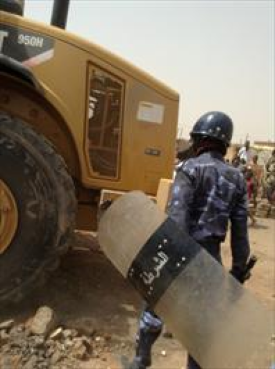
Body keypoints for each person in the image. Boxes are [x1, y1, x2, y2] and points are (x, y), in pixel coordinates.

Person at [130, 111, 250, 369]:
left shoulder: (187, 169)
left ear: (200, 140)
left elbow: (177, 218)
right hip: (211, 258)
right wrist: (238, 272)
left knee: (154, 306)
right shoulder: (238, 179)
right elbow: (241, 234)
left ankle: (140, 361)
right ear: (224, 143)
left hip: (180, 249)